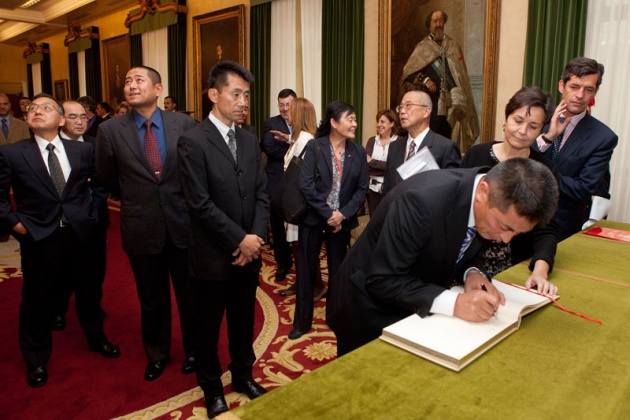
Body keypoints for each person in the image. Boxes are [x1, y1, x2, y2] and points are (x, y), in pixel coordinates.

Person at [327, 158, 559, 356]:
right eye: (504, 227)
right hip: (365, 308)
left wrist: (472, 273)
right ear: (483, 192)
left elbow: (456, 245)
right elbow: (383, 279)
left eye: (517, 233)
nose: (506, 240)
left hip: (413, 304)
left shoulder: (489, 207)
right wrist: (456, 303)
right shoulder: (421, 201)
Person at [0, 93, 120, 388]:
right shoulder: (13, 153)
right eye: (32, 108)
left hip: (81, 233)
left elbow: (100, 185)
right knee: (36, 298)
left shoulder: (81, 151)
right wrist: (16, 224)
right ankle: (37, 358)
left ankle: (96, 338)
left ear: (61, 119)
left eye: (46, 107)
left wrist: (90, 214)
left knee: (89, 290)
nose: (36, 111)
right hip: (38, 235)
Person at [177, 60, 269, 418]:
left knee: (243, 320)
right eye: (236, 93)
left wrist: (256, 238)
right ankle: (212, 388)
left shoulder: (248, 139)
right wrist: (239, 240)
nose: (244, 101)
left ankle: (243, 376)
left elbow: (262, 194)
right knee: (207, 326)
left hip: (249, 254)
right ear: (213, 95)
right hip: (213, 255)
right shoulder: (192, 141)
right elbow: (198, 203)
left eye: (247, 94)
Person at [96, 66, 197, 381]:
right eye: (127, 81)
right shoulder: (110, 130)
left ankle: (196, 350)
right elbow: (108, 177)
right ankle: (157, 353)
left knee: (191, 294)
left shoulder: (184, 124)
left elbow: (196, 172)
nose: (131, 85)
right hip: (141, 226)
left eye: (138, 79)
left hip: (183, 224)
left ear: (157, 88)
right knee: (151, 298)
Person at [461, 87, 560, 286]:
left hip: (514, 264)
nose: (523, 131)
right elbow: (458, 209)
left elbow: (546, 229)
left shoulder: (544, 170)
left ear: (541, 131)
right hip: (466, 260)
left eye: (533, 126)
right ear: (505, 118)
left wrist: (540, 271)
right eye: (518, 120)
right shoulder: (475, 155)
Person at [290, 101, 369, 340]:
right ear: (334, 123)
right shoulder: (315, 147)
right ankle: (302, 322)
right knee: (305, 270)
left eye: (355, 119)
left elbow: (361, 189)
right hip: (314, 219)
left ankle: (334, 317)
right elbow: (305, 185)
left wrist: (342, 214)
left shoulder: (358, 152)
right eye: (350, 119)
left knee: (338, 272)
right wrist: (328, 214)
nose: (355, 123)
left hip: (341, 223)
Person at [533, 57, 618, 241]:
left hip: (562, 231)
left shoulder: (603, 137)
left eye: (588, 89)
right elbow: (518, 161)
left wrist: (537, 173)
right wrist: (548, 138)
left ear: (595, 92)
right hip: (520, 220)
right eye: (575, 86)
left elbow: (582, 189)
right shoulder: (536, 118)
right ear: (561, 85)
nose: (580, 95)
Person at [50, 100, 110, 331]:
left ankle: (92, 307)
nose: (79, 121)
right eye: (73, 117)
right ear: (61, 120)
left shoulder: (97, 144)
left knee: (95, 268)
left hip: (94, 217)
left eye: (83, 117)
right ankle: (57, 308)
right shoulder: (53, 146)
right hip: (61, 221)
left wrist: (91, 210)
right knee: (62, 269)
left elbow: (104, 181)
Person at [400, 9, 479, 151]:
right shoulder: (422, 48)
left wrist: (460, 98)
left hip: (452, 103)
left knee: (450, 140)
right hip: (432, 104)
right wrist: (426, 80)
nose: (438, 24)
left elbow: (460, 74)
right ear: (429, 24)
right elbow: (409, 73)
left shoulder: (452, 45)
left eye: (441, 20)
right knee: (433, 141)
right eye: (435, 21)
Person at [277, 98, 326, 301]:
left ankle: (316, 286)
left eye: (291, 110)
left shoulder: (306, 139)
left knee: (304, 248)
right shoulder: (298, 138)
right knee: (297, 246)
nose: (286, 113)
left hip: (300, 203)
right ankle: (301, 282)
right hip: (293, 201)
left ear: (300, 114)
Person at [382, 90, 461, 196]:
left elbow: (451, 193)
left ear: (426, 111)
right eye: (400, 107)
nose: (402, 111)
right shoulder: (394, 147)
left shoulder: (445, 148)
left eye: (408, 105)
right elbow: (387, 189)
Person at [263, 89, 297, 282]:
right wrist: (295, 146)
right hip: (276, 181)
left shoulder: (302, 121)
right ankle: (283, 264)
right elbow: (270, 148)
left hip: (299, 182)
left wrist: (290, 140)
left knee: (298, 226)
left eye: (288, 104)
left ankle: (302, 262)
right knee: (277, 227)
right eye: (281, 104)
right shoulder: (271, 123)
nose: (284, 109)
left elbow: (311, 145)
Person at [365, 109, 399, 215]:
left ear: (392, 123)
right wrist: (386, 166)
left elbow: (396, 167)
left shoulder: (399, 142)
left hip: (391, 189)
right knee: (374, 221)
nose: (379, 125)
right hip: (372, 189)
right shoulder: (372, 141)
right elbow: (366, 165)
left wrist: (373, 162)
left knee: (389, 220)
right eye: (378, 121)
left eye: (382, 122)